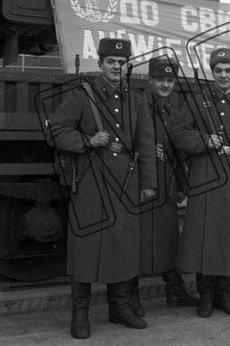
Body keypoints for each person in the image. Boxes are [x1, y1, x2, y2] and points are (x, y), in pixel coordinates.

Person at [47, 38, 157, 339]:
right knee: (85, 247)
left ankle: (119, 308)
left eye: (121, 64)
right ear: (101, 63)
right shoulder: (83, 95)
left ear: (127, 66)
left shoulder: (137, 100)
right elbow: (55, 128)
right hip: (92, 181)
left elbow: (146, 143)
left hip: (125, 183)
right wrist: (86, 141)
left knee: (122, 245)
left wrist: (148, 183)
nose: (116, 68)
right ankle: (79, 313)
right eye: (111, 62)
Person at [171, 47, 230, 318]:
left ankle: (224, 294)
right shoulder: (197, 101)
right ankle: (206, 296)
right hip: (203, 175)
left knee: (229, 236)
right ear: (212, 73)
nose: (223, 75)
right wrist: (203, 141)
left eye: (229, 71)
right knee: (203, 235)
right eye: (218, 71)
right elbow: (177, 133)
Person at [129, 55, 198, 316]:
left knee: (169, 239)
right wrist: (145, 150)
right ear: (150, 80)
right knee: (137, 241)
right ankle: (131, 296)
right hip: (141, 184)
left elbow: (180, 152)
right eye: (160, 80)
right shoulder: (136, 105)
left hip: (166, 185)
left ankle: (175, 291)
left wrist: (182, 185)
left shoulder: (174, 112)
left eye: (170, 80)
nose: (165, 85)